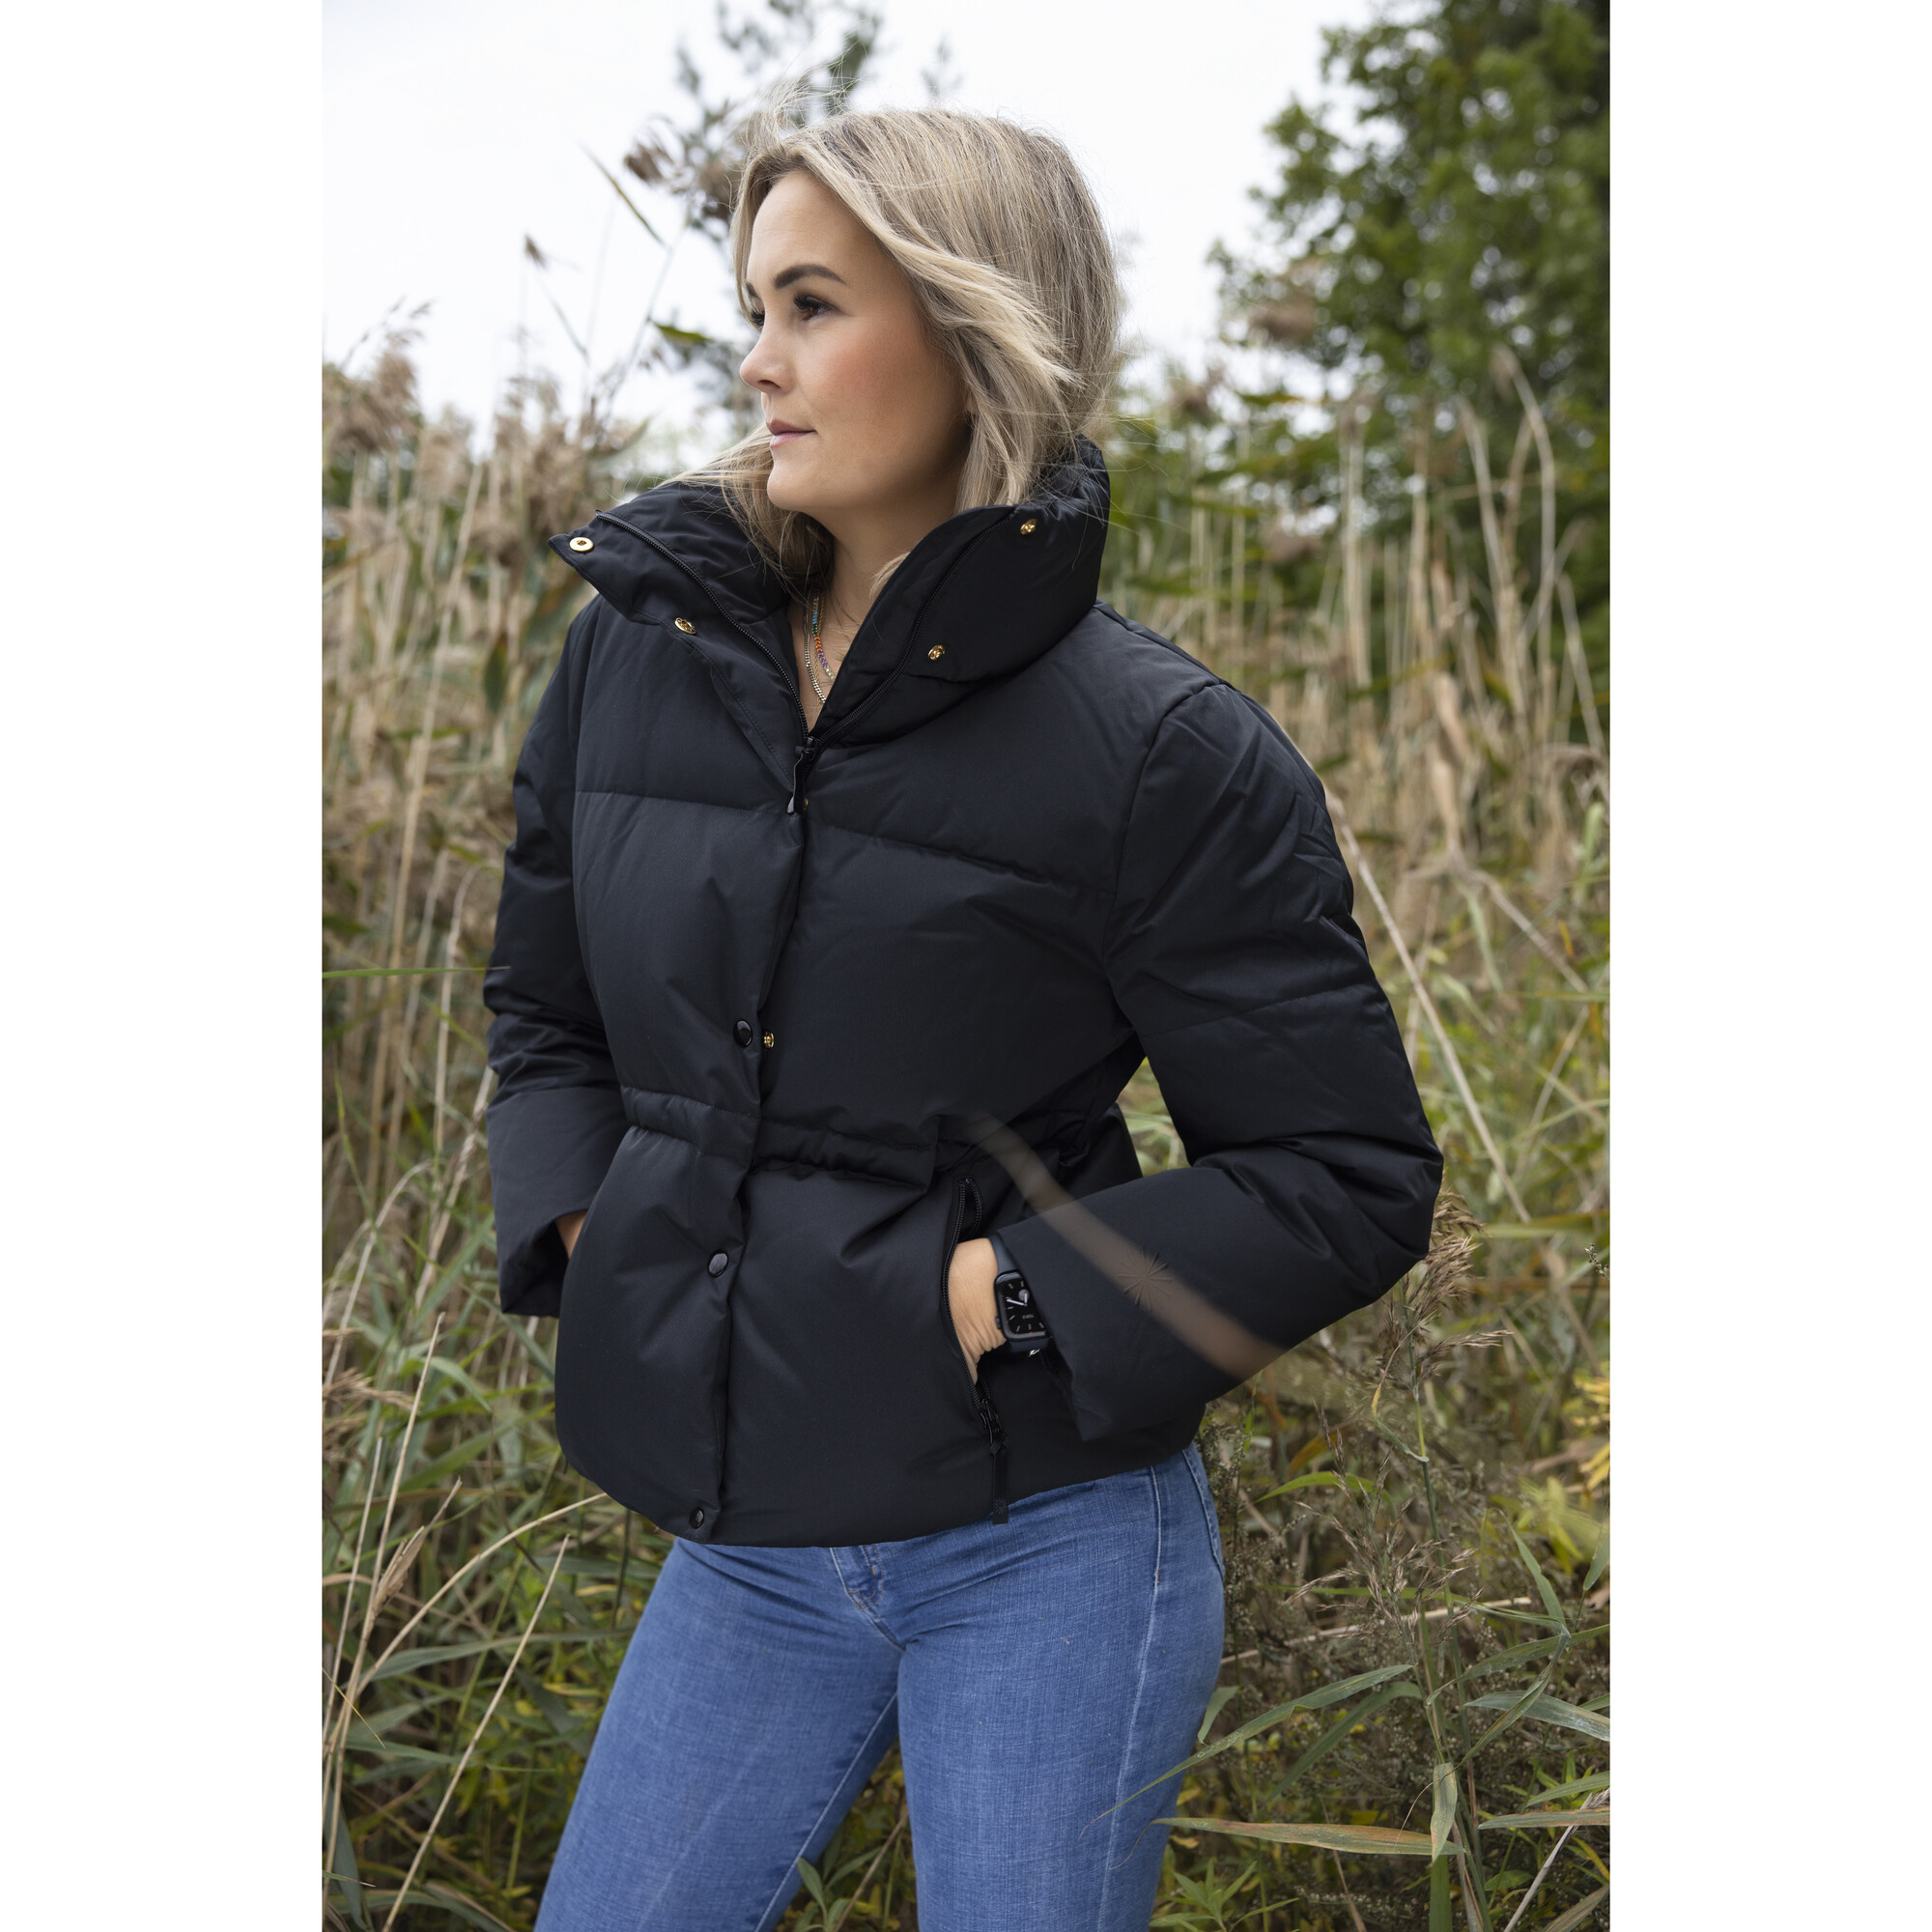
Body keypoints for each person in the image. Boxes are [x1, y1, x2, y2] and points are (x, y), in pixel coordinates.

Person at [483, 102, 1440, 1932]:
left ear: (974, 324)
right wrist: (599, 1225)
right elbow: (544, 1006)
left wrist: (996, 1295)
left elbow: (1346, 1170)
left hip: (1043, 1547)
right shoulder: (635, 658)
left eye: (813, 305)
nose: (757, 363)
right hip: (748, 1544)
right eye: (754, 306)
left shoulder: (1162, 753)